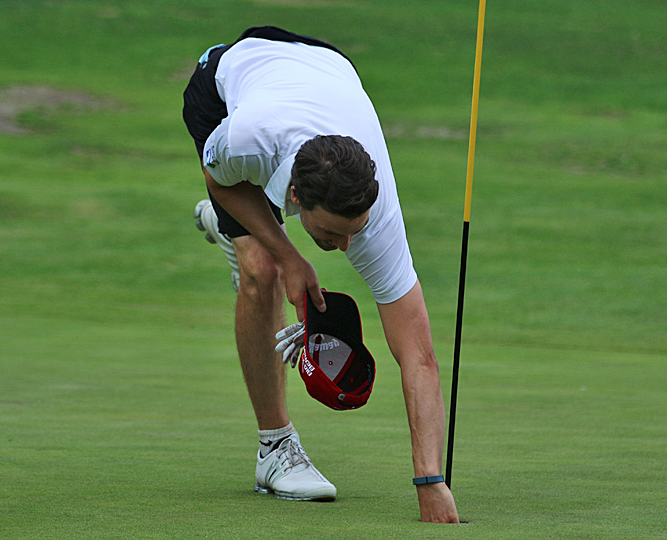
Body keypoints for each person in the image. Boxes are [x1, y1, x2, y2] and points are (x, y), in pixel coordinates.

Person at [183, 26, 460, 523]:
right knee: (263, 269)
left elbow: (419, 355)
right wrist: (291, 258)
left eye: (355, 231)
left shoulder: (377, 219)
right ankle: (275, 449)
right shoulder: (247, 139)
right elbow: (219, 181)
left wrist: (430, 481)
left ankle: (239, 238)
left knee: (274, 253)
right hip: (227, 82)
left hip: (327, 66)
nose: (347, 247)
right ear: (294, 199)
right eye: (333, 233)